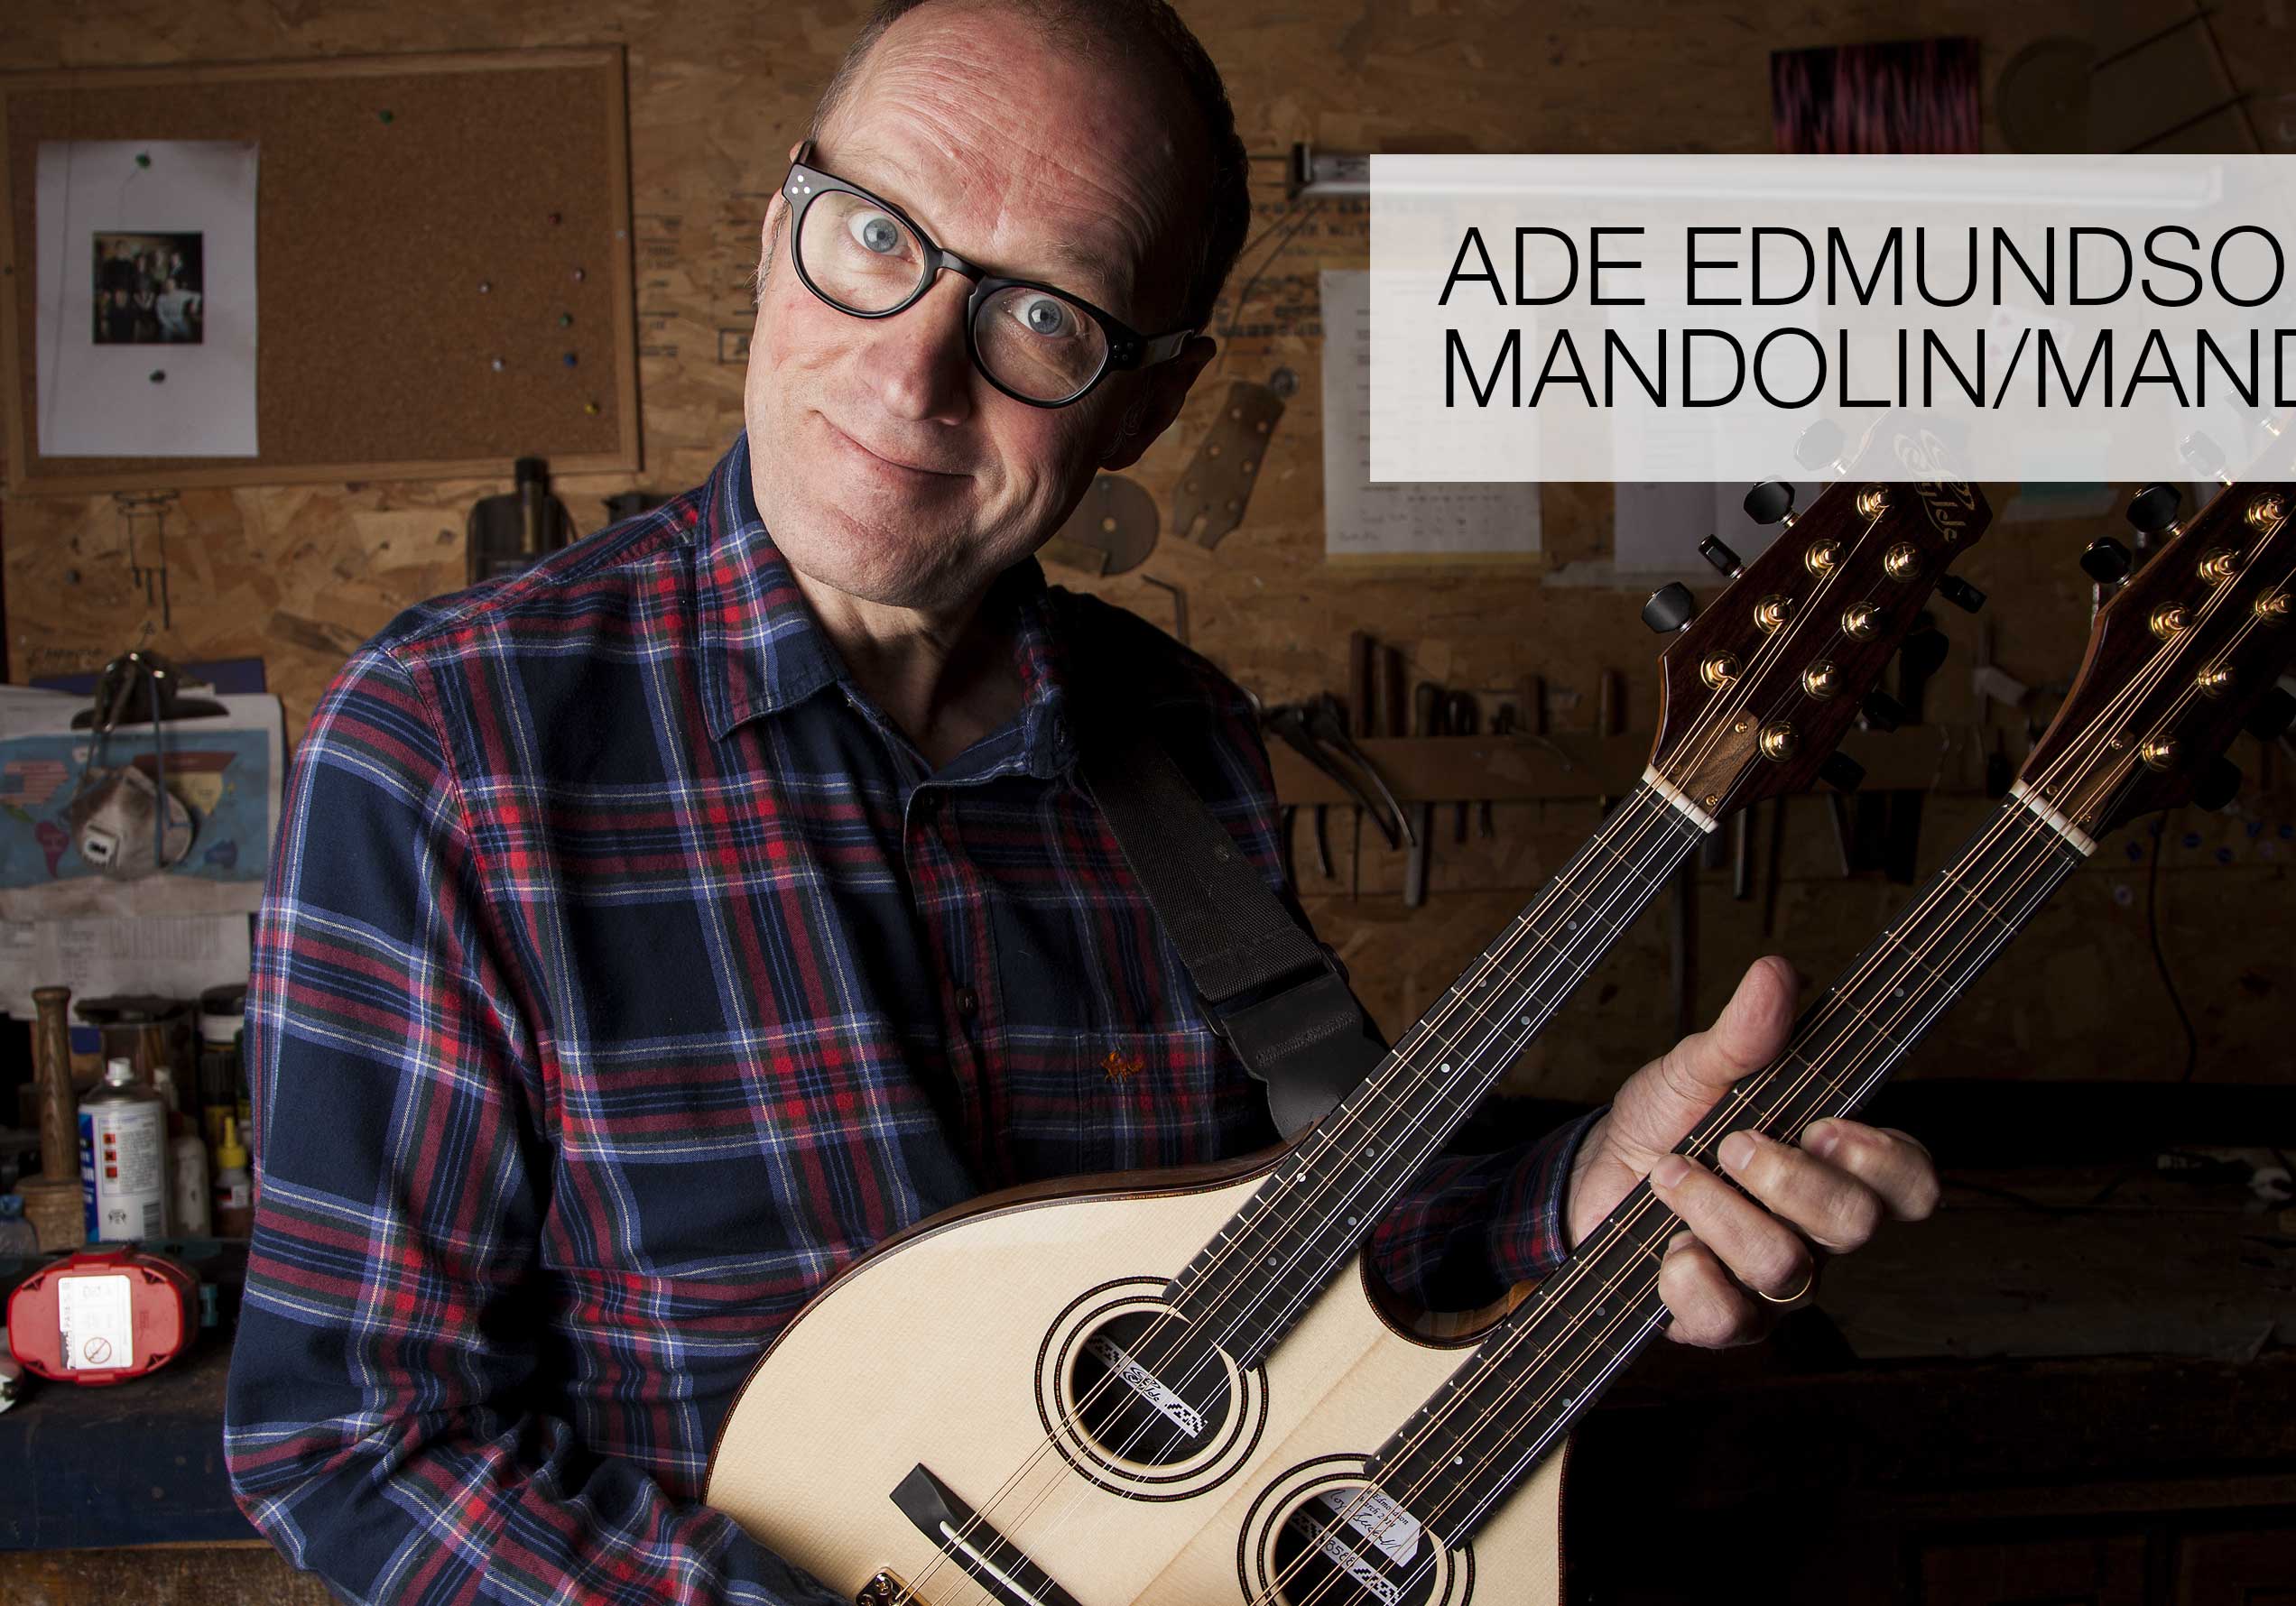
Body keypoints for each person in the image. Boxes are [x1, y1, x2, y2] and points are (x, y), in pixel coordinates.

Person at [223, 3, 1941, 1601]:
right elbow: (354, 1442)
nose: (911, 374)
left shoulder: (1179, 741)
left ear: (1149, 400)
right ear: (774, 234)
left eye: (1043, 313)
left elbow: (1255, 1270)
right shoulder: (452, 745)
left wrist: (1577, 1188)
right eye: (876, 237)